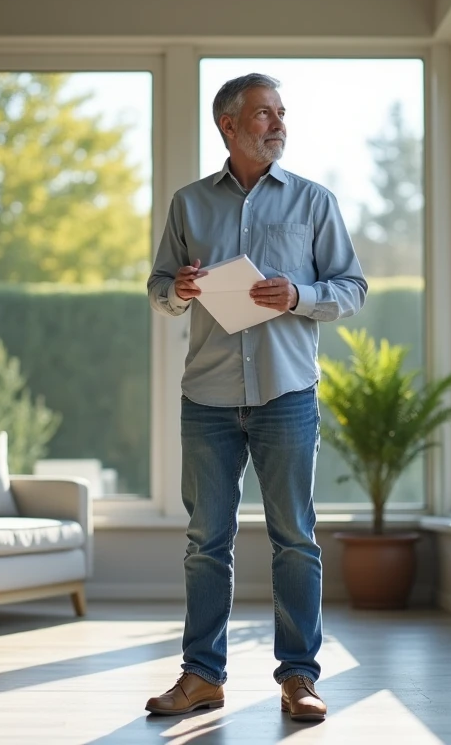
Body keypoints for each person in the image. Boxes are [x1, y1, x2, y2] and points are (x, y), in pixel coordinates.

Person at [143, 73, 367, 723]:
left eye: (281, 113)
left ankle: (299, 677)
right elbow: (159, 289)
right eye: (264, 114)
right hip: (207, 397)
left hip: (287, 394)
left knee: (294, 538)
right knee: (205, 542)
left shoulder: (313, 201)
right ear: (229, 125)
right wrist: (179, 290)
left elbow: (351, 286)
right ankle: (201, 677)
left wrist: (299, 297)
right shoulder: (189, 205)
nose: (277, 123)